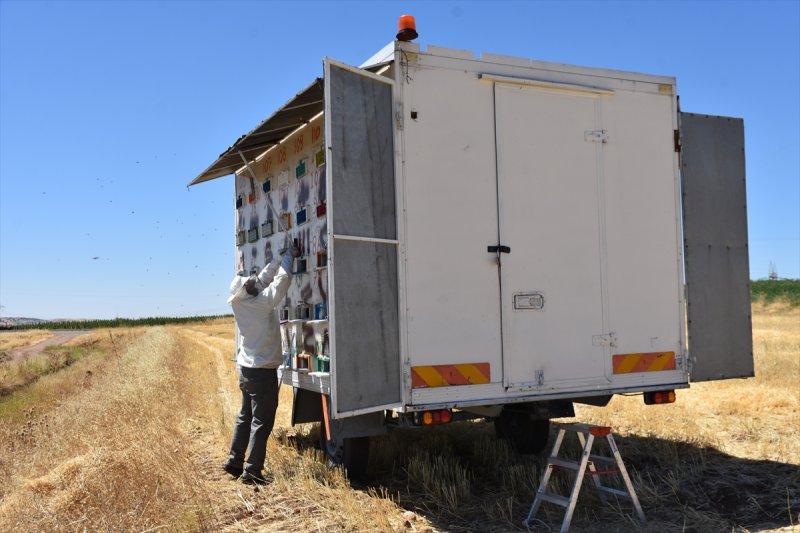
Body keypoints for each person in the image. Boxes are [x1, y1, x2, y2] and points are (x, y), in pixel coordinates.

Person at [223, 241, 300, 484]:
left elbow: (264, 280)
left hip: (247, 369)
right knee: (261, 422)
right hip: (261, 372)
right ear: (246, 289)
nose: (253, 282)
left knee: (245, 417)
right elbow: (280, 282)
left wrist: (276, 259)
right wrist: (288, 257)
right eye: (249, 283)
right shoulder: (260, 303)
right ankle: (252, 471)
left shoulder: (241, 302)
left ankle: (234, 462)